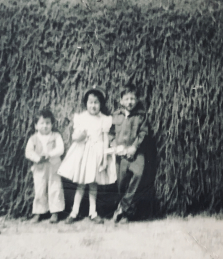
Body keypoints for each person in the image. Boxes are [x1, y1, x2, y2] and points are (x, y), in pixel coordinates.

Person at [58, 86, 116, 224]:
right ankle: (74, 212)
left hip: (96, 153)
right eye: (90, 102)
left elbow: (105, 139)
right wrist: (80, 136)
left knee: (93, 184)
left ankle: (93, 212)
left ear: (101, 104)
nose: (93, 105)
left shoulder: (104, 119)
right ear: (86, 103)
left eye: (96, 102)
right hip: (83, 154)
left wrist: (104, 157)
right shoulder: (81, 118)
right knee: (81, 184)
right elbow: (75, 136)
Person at [110, 83, 149, 224]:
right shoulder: (115, 115)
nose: (129, 102)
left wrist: (134, 147)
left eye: (132, 98)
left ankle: (124, 209)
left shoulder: (141, 115)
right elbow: (110, 133)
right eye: (126, 99)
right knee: (121, 183)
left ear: (137, 100)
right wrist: (113, 144)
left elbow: (143, 132)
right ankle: (122, 209)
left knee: (138, 175)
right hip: (120, 154)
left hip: (135, 152)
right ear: (121, 101)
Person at [25, 109, 65, 224]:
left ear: (52, 124)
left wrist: (50, 154)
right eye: (42, 123)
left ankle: (55, 213)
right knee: (39, 189)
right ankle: (38, 212)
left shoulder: (56, 136)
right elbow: (28, 152)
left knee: (55, 188)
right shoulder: (33, 138)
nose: (45, 126)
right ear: (36, 126)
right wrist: (37, 158)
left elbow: (60, 149)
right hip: (39, 167)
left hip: (53, 166)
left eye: (48, 123)